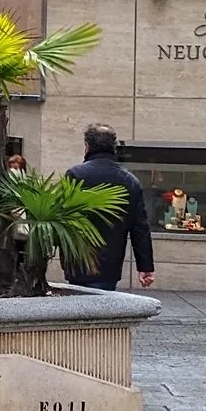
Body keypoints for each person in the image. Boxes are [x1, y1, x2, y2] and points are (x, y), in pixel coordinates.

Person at [64, 124, 155, 291]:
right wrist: (145, 267)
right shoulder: (129, 181)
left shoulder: (75, 175)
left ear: (87, 146)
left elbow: (63, 218)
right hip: (110, 264)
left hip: (78, 261)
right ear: (113, 147)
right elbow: (140, 228)